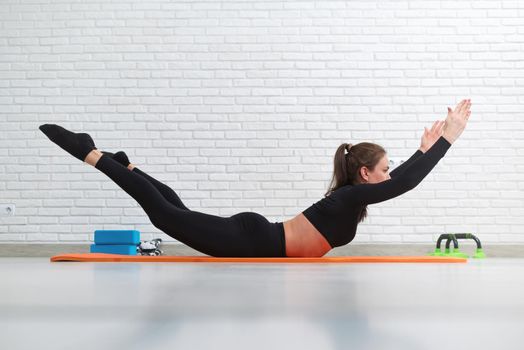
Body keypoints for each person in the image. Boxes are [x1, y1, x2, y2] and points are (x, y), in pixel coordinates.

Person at [39, 99, 471, 258]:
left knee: (177, 212)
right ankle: (90, 152)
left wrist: (424, 149)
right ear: (364, 173)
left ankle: (127, 165)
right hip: (251, 240)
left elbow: (403, 179)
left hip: (256, 234)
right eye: (384, 169)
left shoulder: (351, 196)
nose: (389, 176)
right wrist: (446, 140)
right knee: (164, 216)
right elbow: (408, 183)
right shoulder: (349, 197)